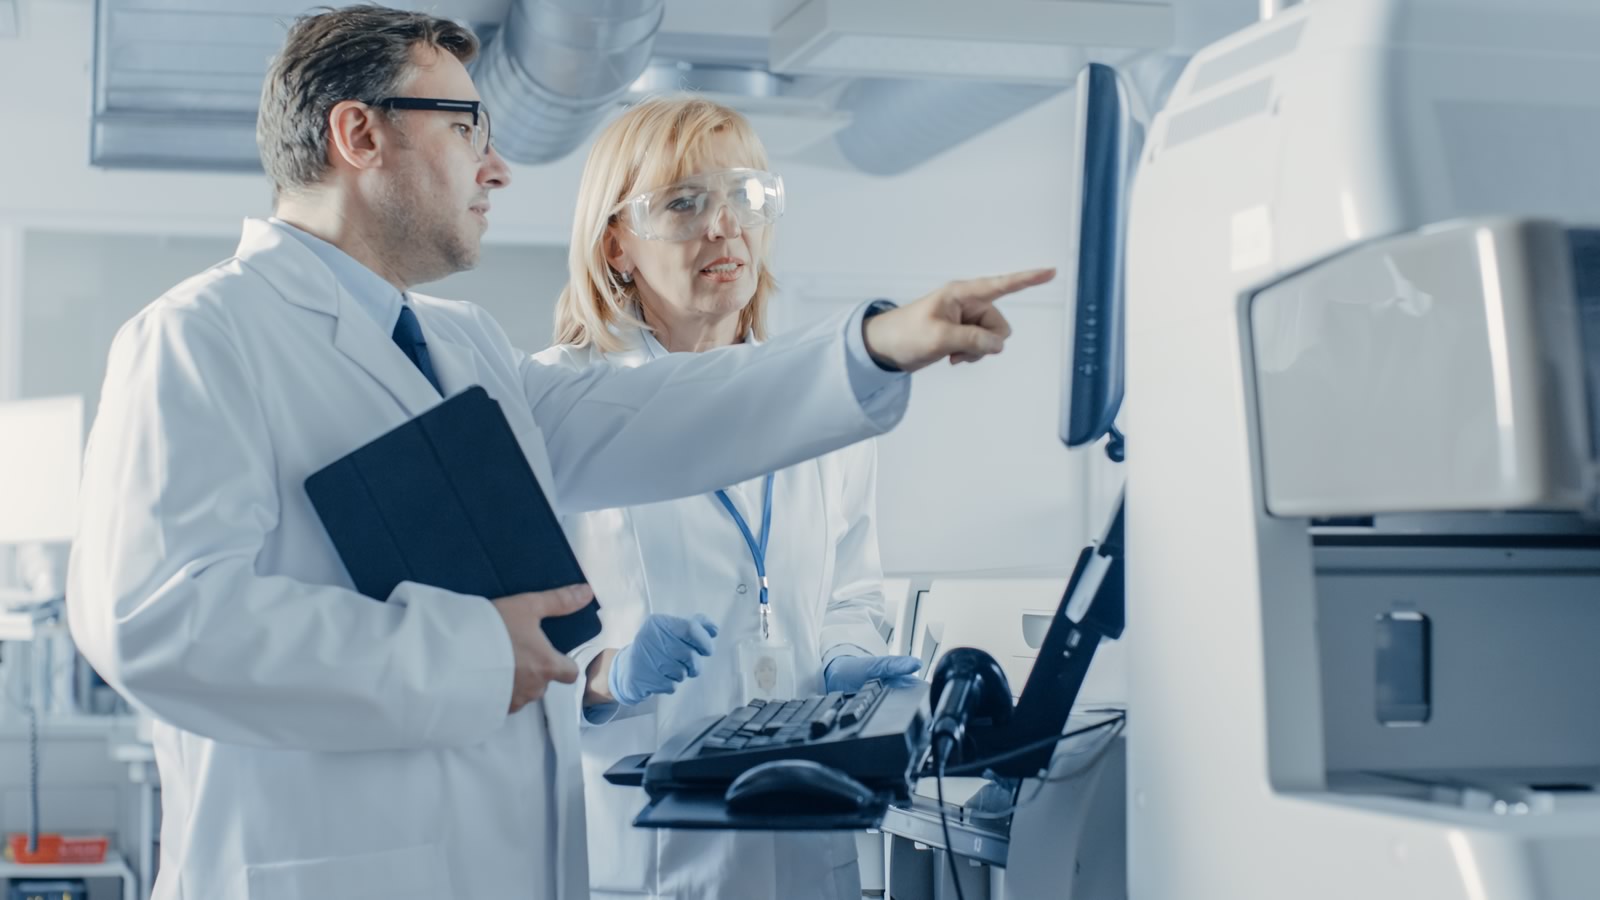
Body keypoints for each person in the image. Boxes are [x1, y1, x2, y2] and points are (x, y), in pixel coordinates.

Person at [65, 7, 1054, 900]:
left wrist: (871, 347)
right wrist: (470, 652)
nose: (494, 169)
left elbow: (651, 412)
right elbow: (154, 619)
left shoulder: (462, 344)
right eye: (465, 129)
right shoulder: (202, 335)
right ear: (357, 133)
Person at [535, 96, 924, 900]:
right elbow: (510, 642)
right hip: (643, 852)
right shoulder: (557, 402)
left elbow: (850, 588)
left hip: (806, 824)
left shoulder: (822, 398)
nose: (724, 227)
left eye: (745, 197)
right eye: (683, 203)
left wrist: (846, 656)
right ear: (616, 244)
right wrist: (609, 674)